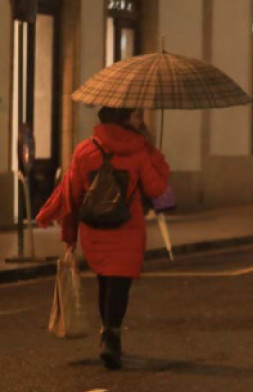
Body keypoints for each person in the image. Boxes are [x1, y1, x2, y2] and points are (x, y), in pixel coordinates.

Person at [37, 107, 170, 370]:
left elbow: (72, 197)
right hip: (127, 227)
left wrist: (69, 236)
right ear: (125, 119)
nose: (139, 119)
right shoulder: (138, 150)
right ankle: (111, 336)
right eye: (135, 115)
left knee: (105, 281)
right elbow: (157, 189)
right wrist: (154, 151)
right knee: (120, 284)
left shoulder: (84, 150)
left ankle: (107, 335)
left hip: (95, 228)